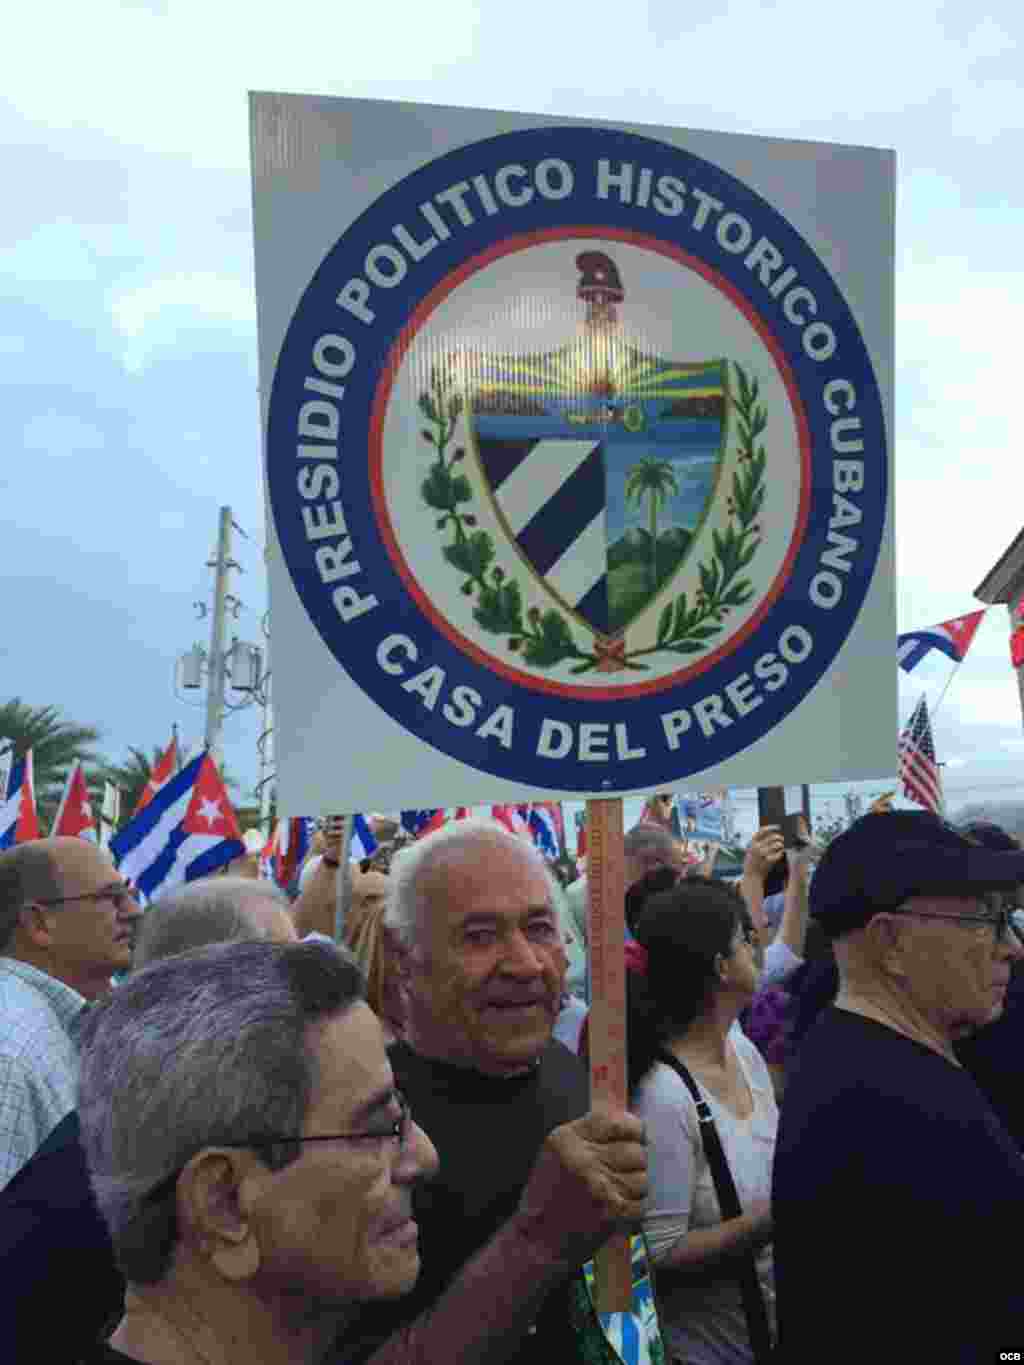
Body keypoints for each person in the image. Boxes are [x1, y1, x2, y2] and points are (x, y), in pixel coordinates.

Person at [333, 816, 652, 1365]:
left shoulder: (575, 1073)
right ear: (403, 955)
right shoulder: (357, 1134)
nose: (526, 963)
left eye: (539, 928)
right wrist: (534, 1241)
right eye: (479, 936)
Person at [1, 875, 298, 1363]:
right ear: (210, 993)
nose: (313, 996)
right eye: (289, 971)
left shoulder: (198, 1120)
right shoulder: (118, 1162)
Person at [772, 811, 1024, 1362]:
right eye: (988, 919)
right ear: (889, 941)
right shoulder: (892, 1102)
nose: (1012, 947)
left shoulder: (862, 1060)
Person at [625, 876, 777, 1364]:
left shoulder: (743, 1050)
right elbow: (657, 1253)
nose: (758, 950)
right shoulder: (665, 1095)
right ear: (720, 968)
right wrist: (770, 1220)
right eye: (746, 941)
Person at [0, 836, 142, 1188]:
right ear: (39, 924)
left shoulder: (57, 1024)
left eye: (127, 894)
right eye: (110, 898)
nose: (133, 911)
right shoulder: (9, 1053)